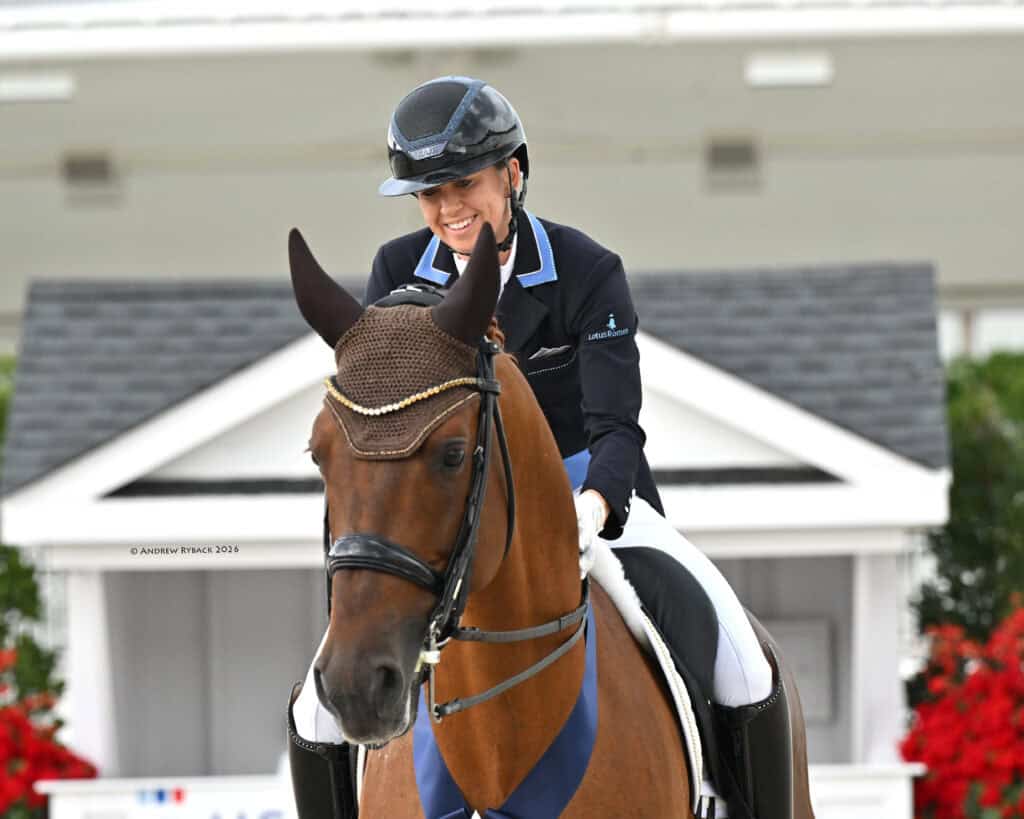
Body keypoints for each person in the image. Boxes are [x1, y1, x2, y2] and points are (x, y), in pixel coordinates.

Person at [288, 76, 792, 819]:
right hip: (458, 511)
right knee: (315, 709)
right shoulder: (397, 273)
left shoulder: (588, 272)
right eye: (429, 194)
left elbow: (618, 426)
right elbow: (393, 419)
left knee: (740, 659)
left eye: (463, 183)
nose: (448, 209)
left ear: (512, 173)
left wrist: (588, 510)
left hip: (590, 497)